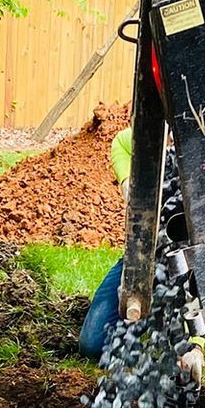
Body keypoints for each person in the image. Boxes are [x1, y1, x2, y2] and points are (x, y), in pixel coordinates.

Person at [79, 124, 135, 358]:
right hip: (139, 258)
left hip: (189, 269)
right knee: (92, 345)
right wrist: (127, 182)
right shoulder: (149, 139)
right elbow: (122, 141)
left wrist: (195, 344)